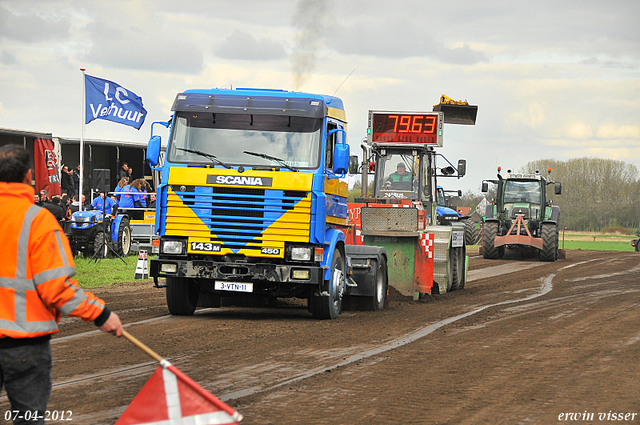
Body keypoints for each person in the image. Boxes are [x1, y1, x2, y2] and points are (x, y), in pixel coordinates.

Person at [0, 145, 122, 425]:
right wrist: (101, 314)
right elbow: (56, 288)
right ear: (29, 176)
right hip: (25, 345)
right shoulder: (38, 221)